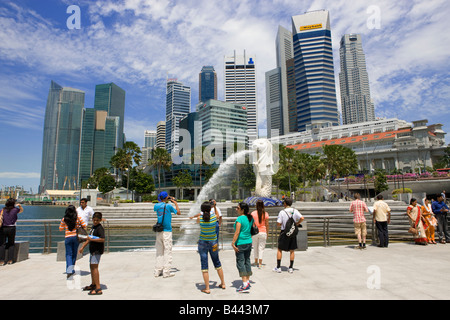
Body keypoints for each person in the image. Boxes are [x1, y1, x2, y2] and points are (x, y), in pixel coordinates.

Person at [196, 202, 225, 294]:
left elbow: (198, 220)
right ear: (210, 209)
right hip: (213, 243)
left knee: (204, 264)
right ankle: (223, 283)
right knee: (217, 262)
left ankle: (207, 288)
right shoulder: (214, 217)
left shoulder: (199, 218)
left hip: (202, 243)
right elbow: (217, 215)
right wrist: (215, 206)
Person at [273, 198, 304, 273]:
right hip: (292, 232)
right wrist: (297, 223)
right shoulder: (294, 210)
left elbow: (278, 223)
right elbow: (302, 218)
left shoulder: (282, 212)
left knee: (280, 249)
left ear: (285, 204)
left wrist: (280, 224)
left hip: (284, 232)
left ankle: (278, 267)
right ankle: (290, 267)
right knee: (292, 250)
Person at [154, 191, 180, 278]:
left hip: (159, 230)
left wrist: (166, 198)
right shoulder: (169, 206)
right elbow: (178, 212)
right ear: (166, 198)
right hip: (167, 231)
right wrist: (175, 202)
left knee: (159, 252)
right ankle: (166, 272)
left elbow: (160, 203)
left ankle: (158, 271)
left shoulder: (156, 206)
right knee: (167, 251)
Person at [79, 212, 105, 295]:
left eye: (97, 220)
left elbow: (102, 239)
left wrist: (92, 239)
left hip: (97, 251)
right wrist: (83, 247)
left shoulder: (100, 228)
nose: (95, 222)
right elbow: (89, 238)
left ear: (100, 220)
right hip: (92, 251)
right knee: (91, 267)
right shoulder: (93, 227)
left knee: (95, 268)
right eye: (94, 220)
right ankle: (93, 284)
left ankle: (98, 288)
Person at [59, 205, 87, 278]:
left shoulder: (64, 219)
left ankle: (69, 270)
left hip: (68, 237)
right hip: (76, 237)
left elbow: (60, 229)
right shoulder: (77, 218)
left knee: (68, 254)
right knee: (74, 254)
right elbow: (84, 225)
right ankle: (71, 269)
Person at [231, 202, 253, 292]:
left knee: (240, 262)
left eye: (238, 208)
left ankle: (244, 284)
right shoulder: (250, 218)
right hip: (249, 242)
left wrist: (233, 243)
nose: (236, 209)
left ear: (242, 209)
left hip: (241, 243)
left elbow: (237, 232)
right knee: (247, 260)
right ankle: (247, 281)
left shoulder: (240, 218)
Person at [0, 198, 23, 266]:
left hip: (3, 228)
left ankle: (1, 260)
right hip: (12, 228)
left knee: (2, 244)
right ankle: (10, 260)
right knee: (11, 244)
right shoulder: (15, 210)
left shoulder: (2, 210)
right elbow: (21, 211)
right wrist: (19, 206)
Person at [250, 200, 269, 268]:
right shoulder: (266, 214)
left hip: (255, 232)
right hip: (263, 232)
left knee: (255, 247)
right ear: (263, 206)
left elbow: (251, 224)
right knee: (261, 248)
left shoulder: (253, 213)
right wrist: (267, 233)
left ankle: (255, 262)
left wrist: (250, 233)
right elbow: (267, 224)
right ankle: (260, 263)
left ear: (256, 205)